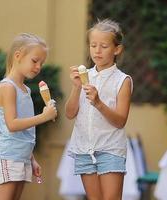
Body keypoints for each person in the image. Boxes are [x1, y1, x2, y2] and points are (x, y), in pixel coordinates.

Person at [65, 19, 133, 200]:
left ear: (117, 49)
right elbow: (69, 114)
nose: (97, 50)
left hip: (110, 148)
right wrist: (76, 87)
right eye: (93, 45)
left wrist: (98, 103)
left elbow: (120, 121)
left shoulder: (123, 81)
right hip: (84, 149)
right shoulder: (83, 76)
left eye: (103, 46)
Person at [0, 33, 57, 200]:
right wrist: (44, 116)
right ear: (18, 56)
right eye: (35, 61)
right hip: (7, 156)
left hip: (22, 157)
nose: (38, 67)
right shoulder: (7, 87)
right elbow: (12, 125)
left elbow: (25, 132)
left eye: (41, 63)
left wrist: (31, 159)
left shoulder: (26, 90)